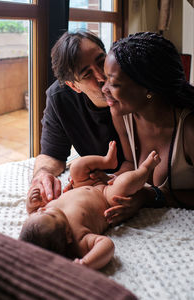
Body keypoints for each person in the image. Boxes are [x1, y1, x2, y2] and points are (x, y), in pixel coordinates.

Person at [20, 141, 160, 270]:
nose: (43, 209)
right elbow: (106, 245)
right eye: (49, 213)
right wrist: (87, 263)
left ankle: (107, 161)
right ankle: (146, 169)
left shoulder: (42, 220)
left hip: (82, 184)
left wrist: (31, 204)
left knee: (77, 167)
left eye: (39, 211)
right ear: (68, 235)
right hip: (106, 196)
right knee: (124, 184)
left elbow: (35, 212)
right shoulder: (79, 239)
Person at [27, 30, 125, 214]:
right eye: (87, 74)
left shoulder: (130, 81)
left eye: (101, 61)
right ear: (73, 86)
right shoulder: (60, 98)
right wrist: (42, 175)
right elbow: (52, 155)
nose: (102, 77)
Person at [101, 32, 194, 226]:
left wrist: (151, 196)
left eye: (114, 83)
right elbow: (129, 162)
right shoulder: (121, 113)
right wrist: (108, 181)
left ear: (149, 89)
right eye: (106, 79)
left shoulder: (189, 130)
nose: (104, 89)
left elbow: (149, 193)